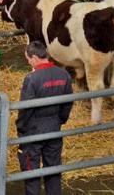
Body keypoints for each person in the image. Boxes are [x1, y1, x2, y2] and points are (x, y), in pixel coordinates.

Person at [16, 41, 73, 195]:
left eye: (28, 59)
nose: (29, 63)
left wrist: (20, 127)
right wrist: (60, 120)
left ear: (34, 57)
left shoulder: (32, 79)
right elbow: (68, 102)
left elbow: (26, 108)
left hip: (33, 131)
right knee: (53, 169)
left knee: (31, 171)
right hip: (54, 129)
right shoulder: (64, 74)